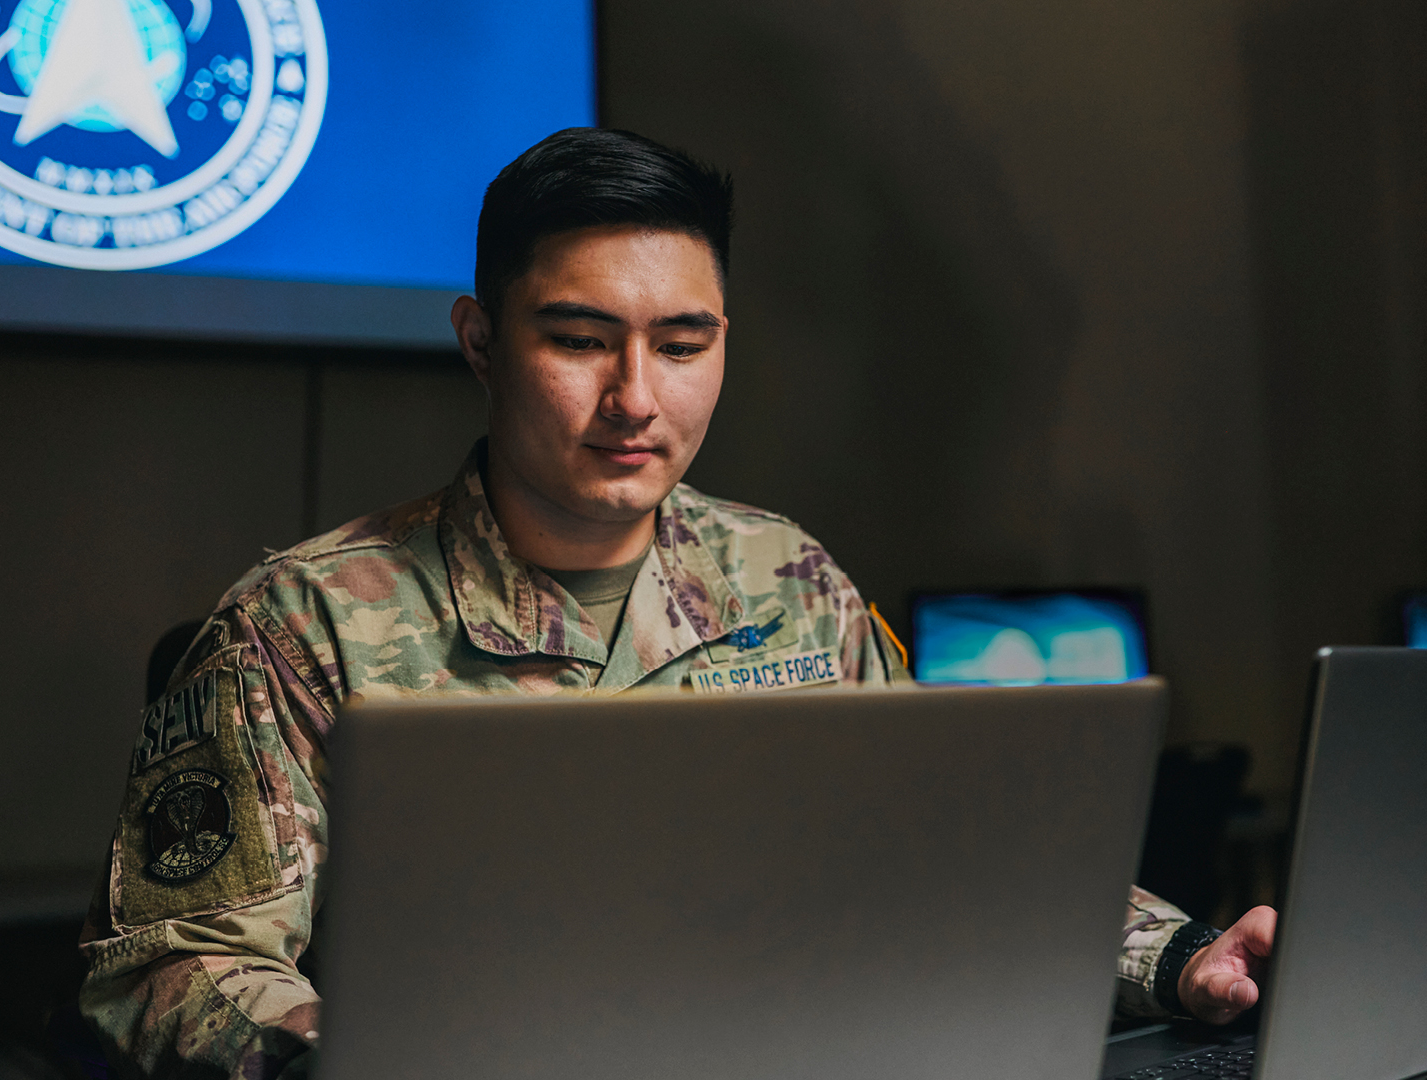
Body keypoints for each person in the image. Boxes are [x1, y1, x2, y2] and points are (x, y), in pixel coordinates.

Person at [77, 128, 1277, 1078]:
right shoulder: (305, 624)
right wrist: (346, 1056)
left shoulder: (787, 579)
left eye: (684, 344)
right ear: (482, 343)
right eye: (580, 340)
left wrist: (1179, 957)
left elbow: (957, 858)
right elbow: (174, 966)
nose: (636, 398)